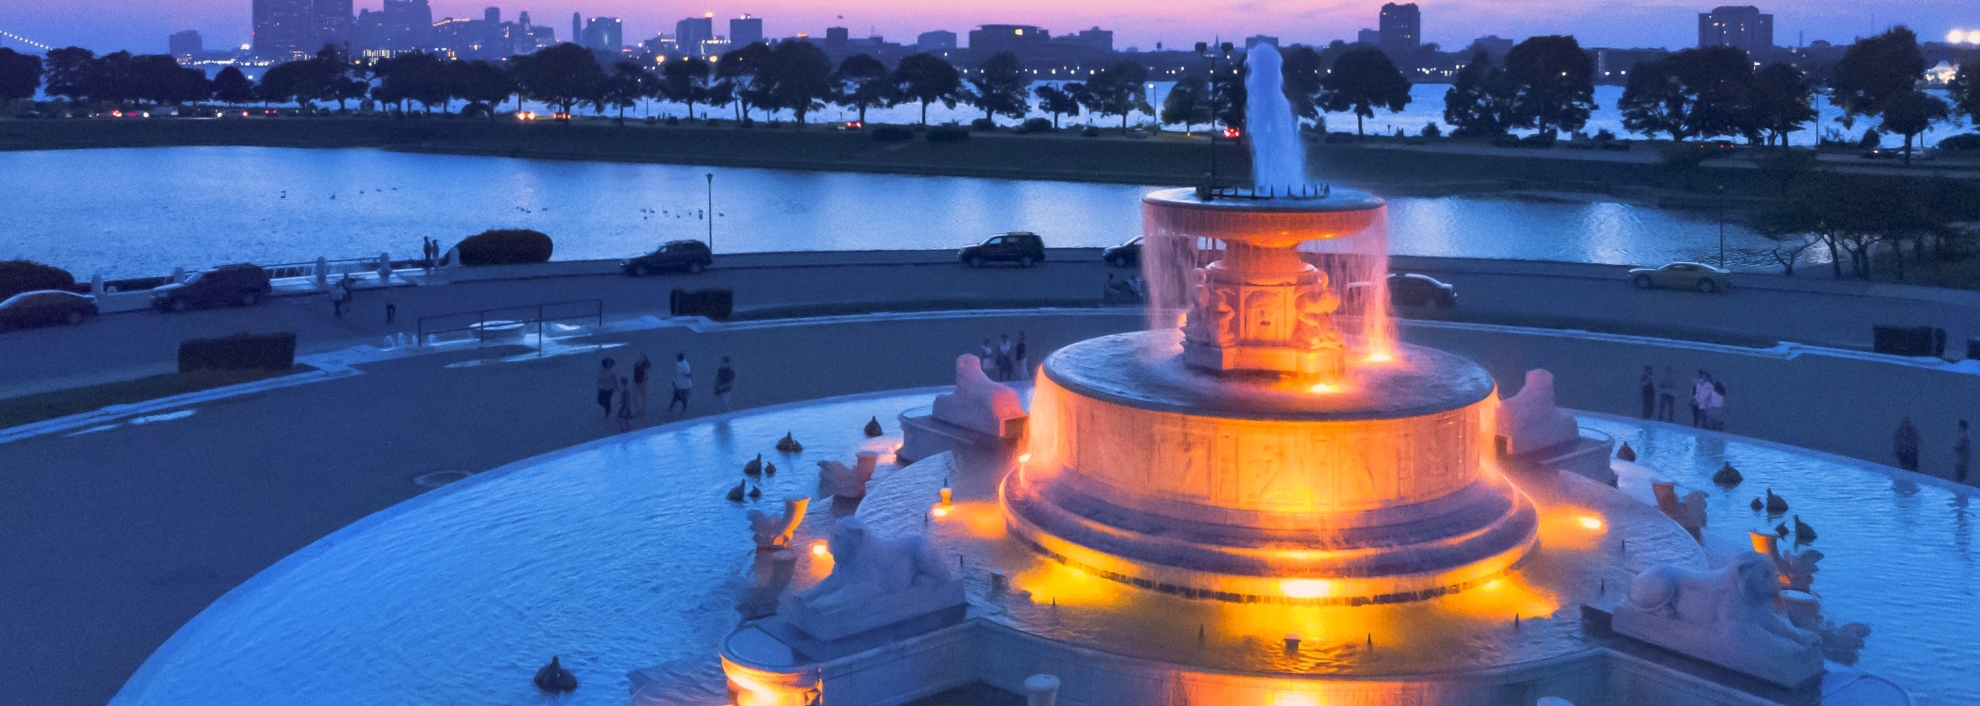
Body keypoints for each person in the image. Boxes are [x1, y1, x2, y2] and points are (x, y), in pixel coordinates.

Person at [1956, 420, 1971, 485]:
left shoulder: (1965, 437)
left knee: (1961, 478)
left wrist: (1956, 448)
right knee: (1960, 477)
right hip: (1961, 460)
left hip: (1962, 461)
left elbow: (1961, 448)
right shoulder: (1964, 436)